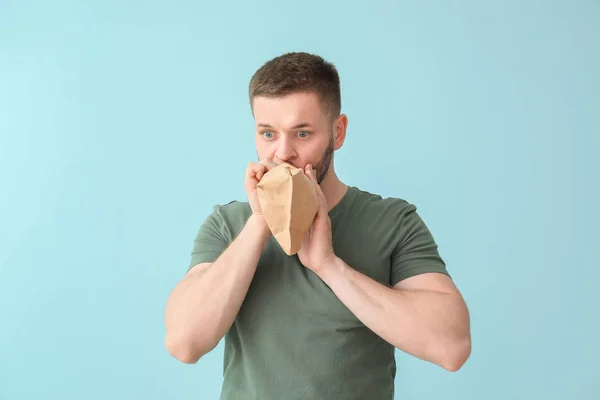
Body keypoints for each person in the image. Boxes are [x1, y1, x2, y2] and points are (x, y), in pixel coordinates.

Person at [164, 52, 471, 399]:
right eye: (268, 134)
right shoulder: (228, 224)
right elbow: (183, 343)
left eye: (302, 133)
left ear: (337, 132)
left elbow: (452, 346)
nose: (283, 153)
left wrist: (330, 267)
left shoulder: (393, 222)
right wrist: (261, 222)